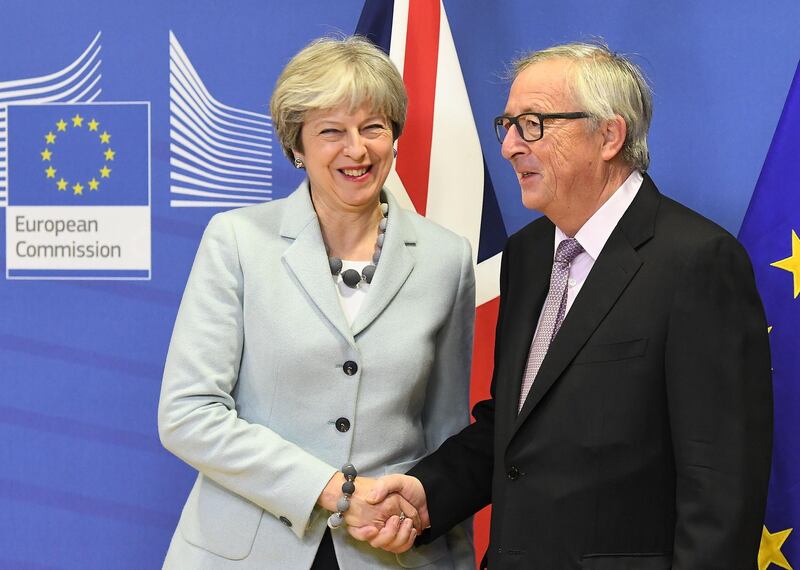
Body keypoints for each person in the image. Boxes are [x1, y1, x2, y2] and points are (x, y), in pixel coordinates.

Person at [359, 41, 773, 569]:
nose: (509, 146)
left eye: (532, 124)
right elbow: (517, 428)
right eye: (506, 125)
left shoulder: (698, 261)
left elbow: (721, 487)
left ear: (608, 135)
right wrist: (428, 493)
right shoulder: (529, 254)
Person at [158, 36, 476, 569]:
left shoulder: (447, 258)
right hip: (245, 551)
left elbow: (446, 441)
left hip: (389, 555)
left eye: (373, 127)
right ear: (297, 147)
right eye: (332, 132)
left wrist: (446, 549)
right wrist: (333, 490)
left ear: (395, 136)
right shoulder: (237, 240)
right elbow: (188, 414)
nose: (357, 150)